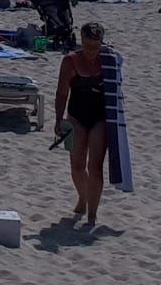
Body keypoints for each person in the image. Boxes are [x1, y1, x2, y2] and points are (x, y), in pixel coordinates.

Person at [53, 22, 110, 227]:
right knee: (77, 166)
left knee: (95, 167)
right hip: (76, 117)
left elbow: (116, 93)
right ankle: (83, 198)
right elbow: (62, 93)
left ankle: (92, 214)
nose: (91, 51)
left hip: (100, 118)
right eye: (87, 46)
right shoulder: (71, 61)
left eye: (95, 46)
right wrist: (58, 119)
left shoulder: (109, 60)